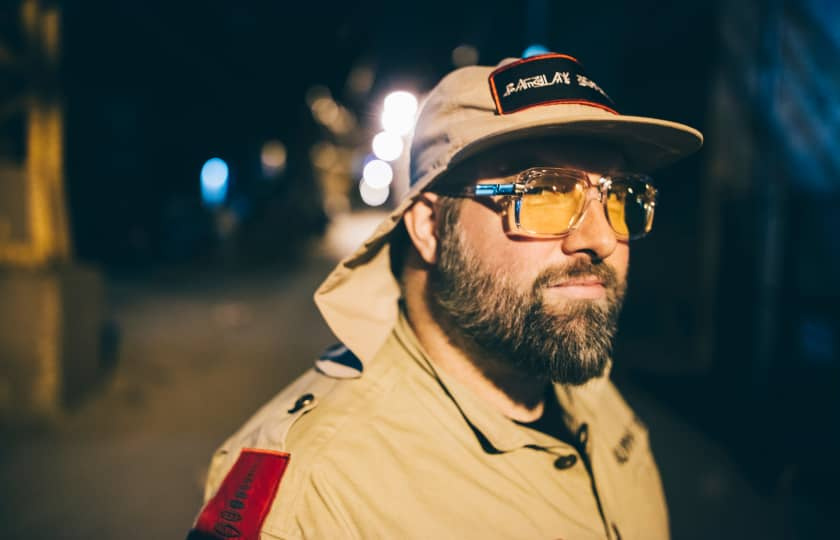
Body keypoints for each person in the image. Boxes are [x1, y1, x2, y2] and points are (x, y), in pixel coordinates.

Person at [186, 52, 703, 540]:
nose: (602, 238)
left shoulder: (585, 385)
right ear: (430, 227)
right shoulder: (312, 501)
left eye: (620, 196)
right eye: (544, 192)